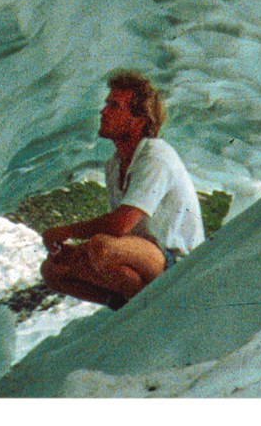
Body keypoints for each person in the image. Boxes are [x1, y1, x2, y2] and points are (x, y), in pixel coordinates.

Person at [39, 70, 206, 309]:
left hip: (177, 264)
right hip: (140, 256)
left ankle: (155, 312)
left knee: (102, 248)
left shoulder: (156, 157)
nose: (103, 111)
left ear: (139, 120)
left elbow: (120, 225)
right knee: (52, 270)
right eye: (107, 103)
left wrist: (65, 232)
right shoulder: (115, 164)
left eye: (114, 106)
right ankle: (128, 308)